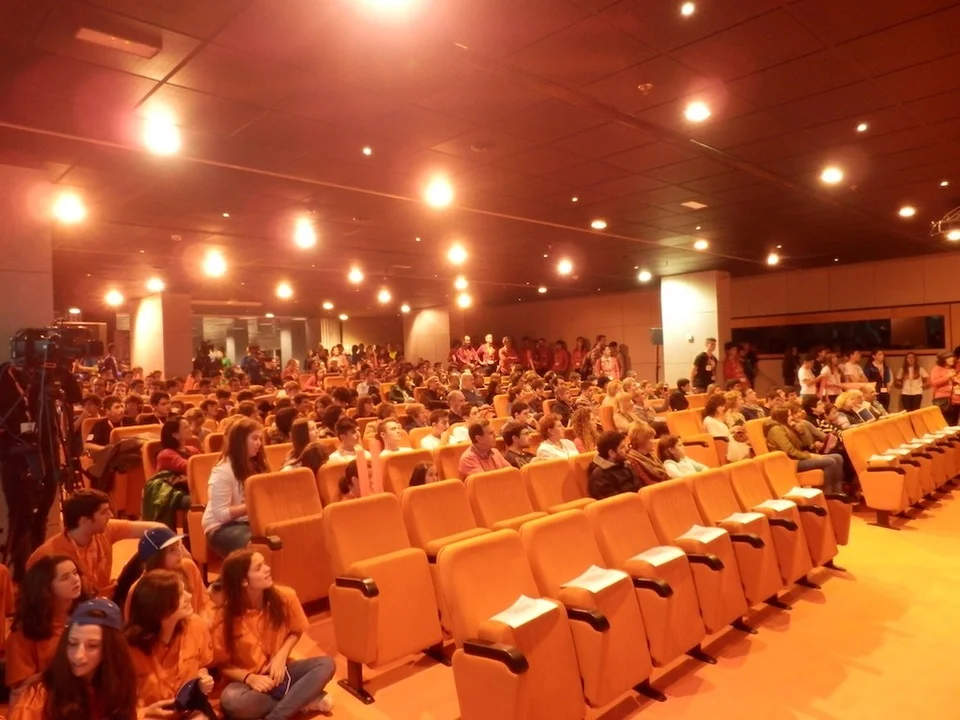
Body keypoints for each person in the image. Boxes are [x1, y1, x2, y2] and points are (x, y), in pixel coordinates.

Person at [213, 550, 335, 718]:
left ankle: (277, 715)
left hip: (282, 672)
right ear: (243, 581)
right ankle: (303, 699)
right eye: (259, 568)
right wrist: (250, 678)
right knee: (231, 700)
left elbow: (296, 630)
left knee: (326, 664)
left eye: (264, 563)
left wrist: (281, 655)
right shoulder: (223, 616)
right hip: (249, 683)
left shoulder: (286, 596)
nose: (267, 568)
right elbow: (222, 665)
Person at [10, 599, 142, 720]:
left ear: (110, 649)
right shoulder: (40, 698)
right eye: (73, 643)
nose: (78, 655)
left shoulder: (120, 687)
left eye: (92, 646)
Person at [27, 489, 165, 599]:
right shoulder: (49, 554)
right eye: (104, 512)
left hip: (108, 597)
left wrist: (175, 547)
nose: (110, 515)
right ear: (84, 521)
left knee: (152, 552)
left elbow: (158, 529)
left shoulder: (106, 529)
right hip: (77, 608)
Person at [125, 570, 216, 717]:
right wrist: (144, 713)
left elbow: (202, 665)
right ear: (160, 607)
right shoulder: (128, 650)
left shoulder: (196, 626)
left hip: (189, 711)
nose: (189, 596)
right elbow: (117, 704)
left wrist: (202, 679)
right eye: (180, 595)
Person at [6, 556, 85, 706]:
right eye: (65, 578)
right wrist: (65, 668)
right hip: (42, 703)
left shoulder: (87, 616)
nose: (75, 580)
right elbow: (20, 687)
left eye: (75, 573)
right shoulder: (24, 632)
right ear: (46, 588)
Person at [201, 418, 268, 559]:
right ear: (240, 441)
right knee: (259, 546)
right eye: (254, 438)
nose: (259, 443)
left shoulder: (257, 465)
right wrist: (251, 506)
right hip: (221, 527)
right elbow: (221, 514)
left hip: (250, 520)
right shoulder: (223, 471)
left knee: (282, 535)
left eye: (260, 439)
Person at [118, 526, 209, 621]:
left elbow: (205, 603)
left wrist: (202, 623)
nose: (179, 552)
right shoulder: (141, 589)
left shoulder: (188, 567)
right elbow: (137, 625)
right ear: (156, 557)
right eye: (171, 550)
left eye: (178, 546)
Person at [763, 407, 846, 496]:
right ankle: (828, 494)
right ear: (783, 417)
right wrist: (810, 456)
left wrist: (799, 431)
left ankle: (838, 492)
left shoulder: (786, 427)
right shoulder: (776, 430)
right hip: (791, 462)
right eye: (789, 415)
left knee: (838, 457)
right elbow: (790, 452)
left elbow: (802, 445)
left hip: (799, 457)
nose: (791, 418)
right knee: (830, 462)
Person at [588, 431, 641, 500]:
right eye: (622, 447)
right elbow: (615, 502)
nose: (627, 449)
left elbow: (638, 486)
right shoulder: (599, 477)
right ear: (611, 453)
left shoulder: (624, 464)